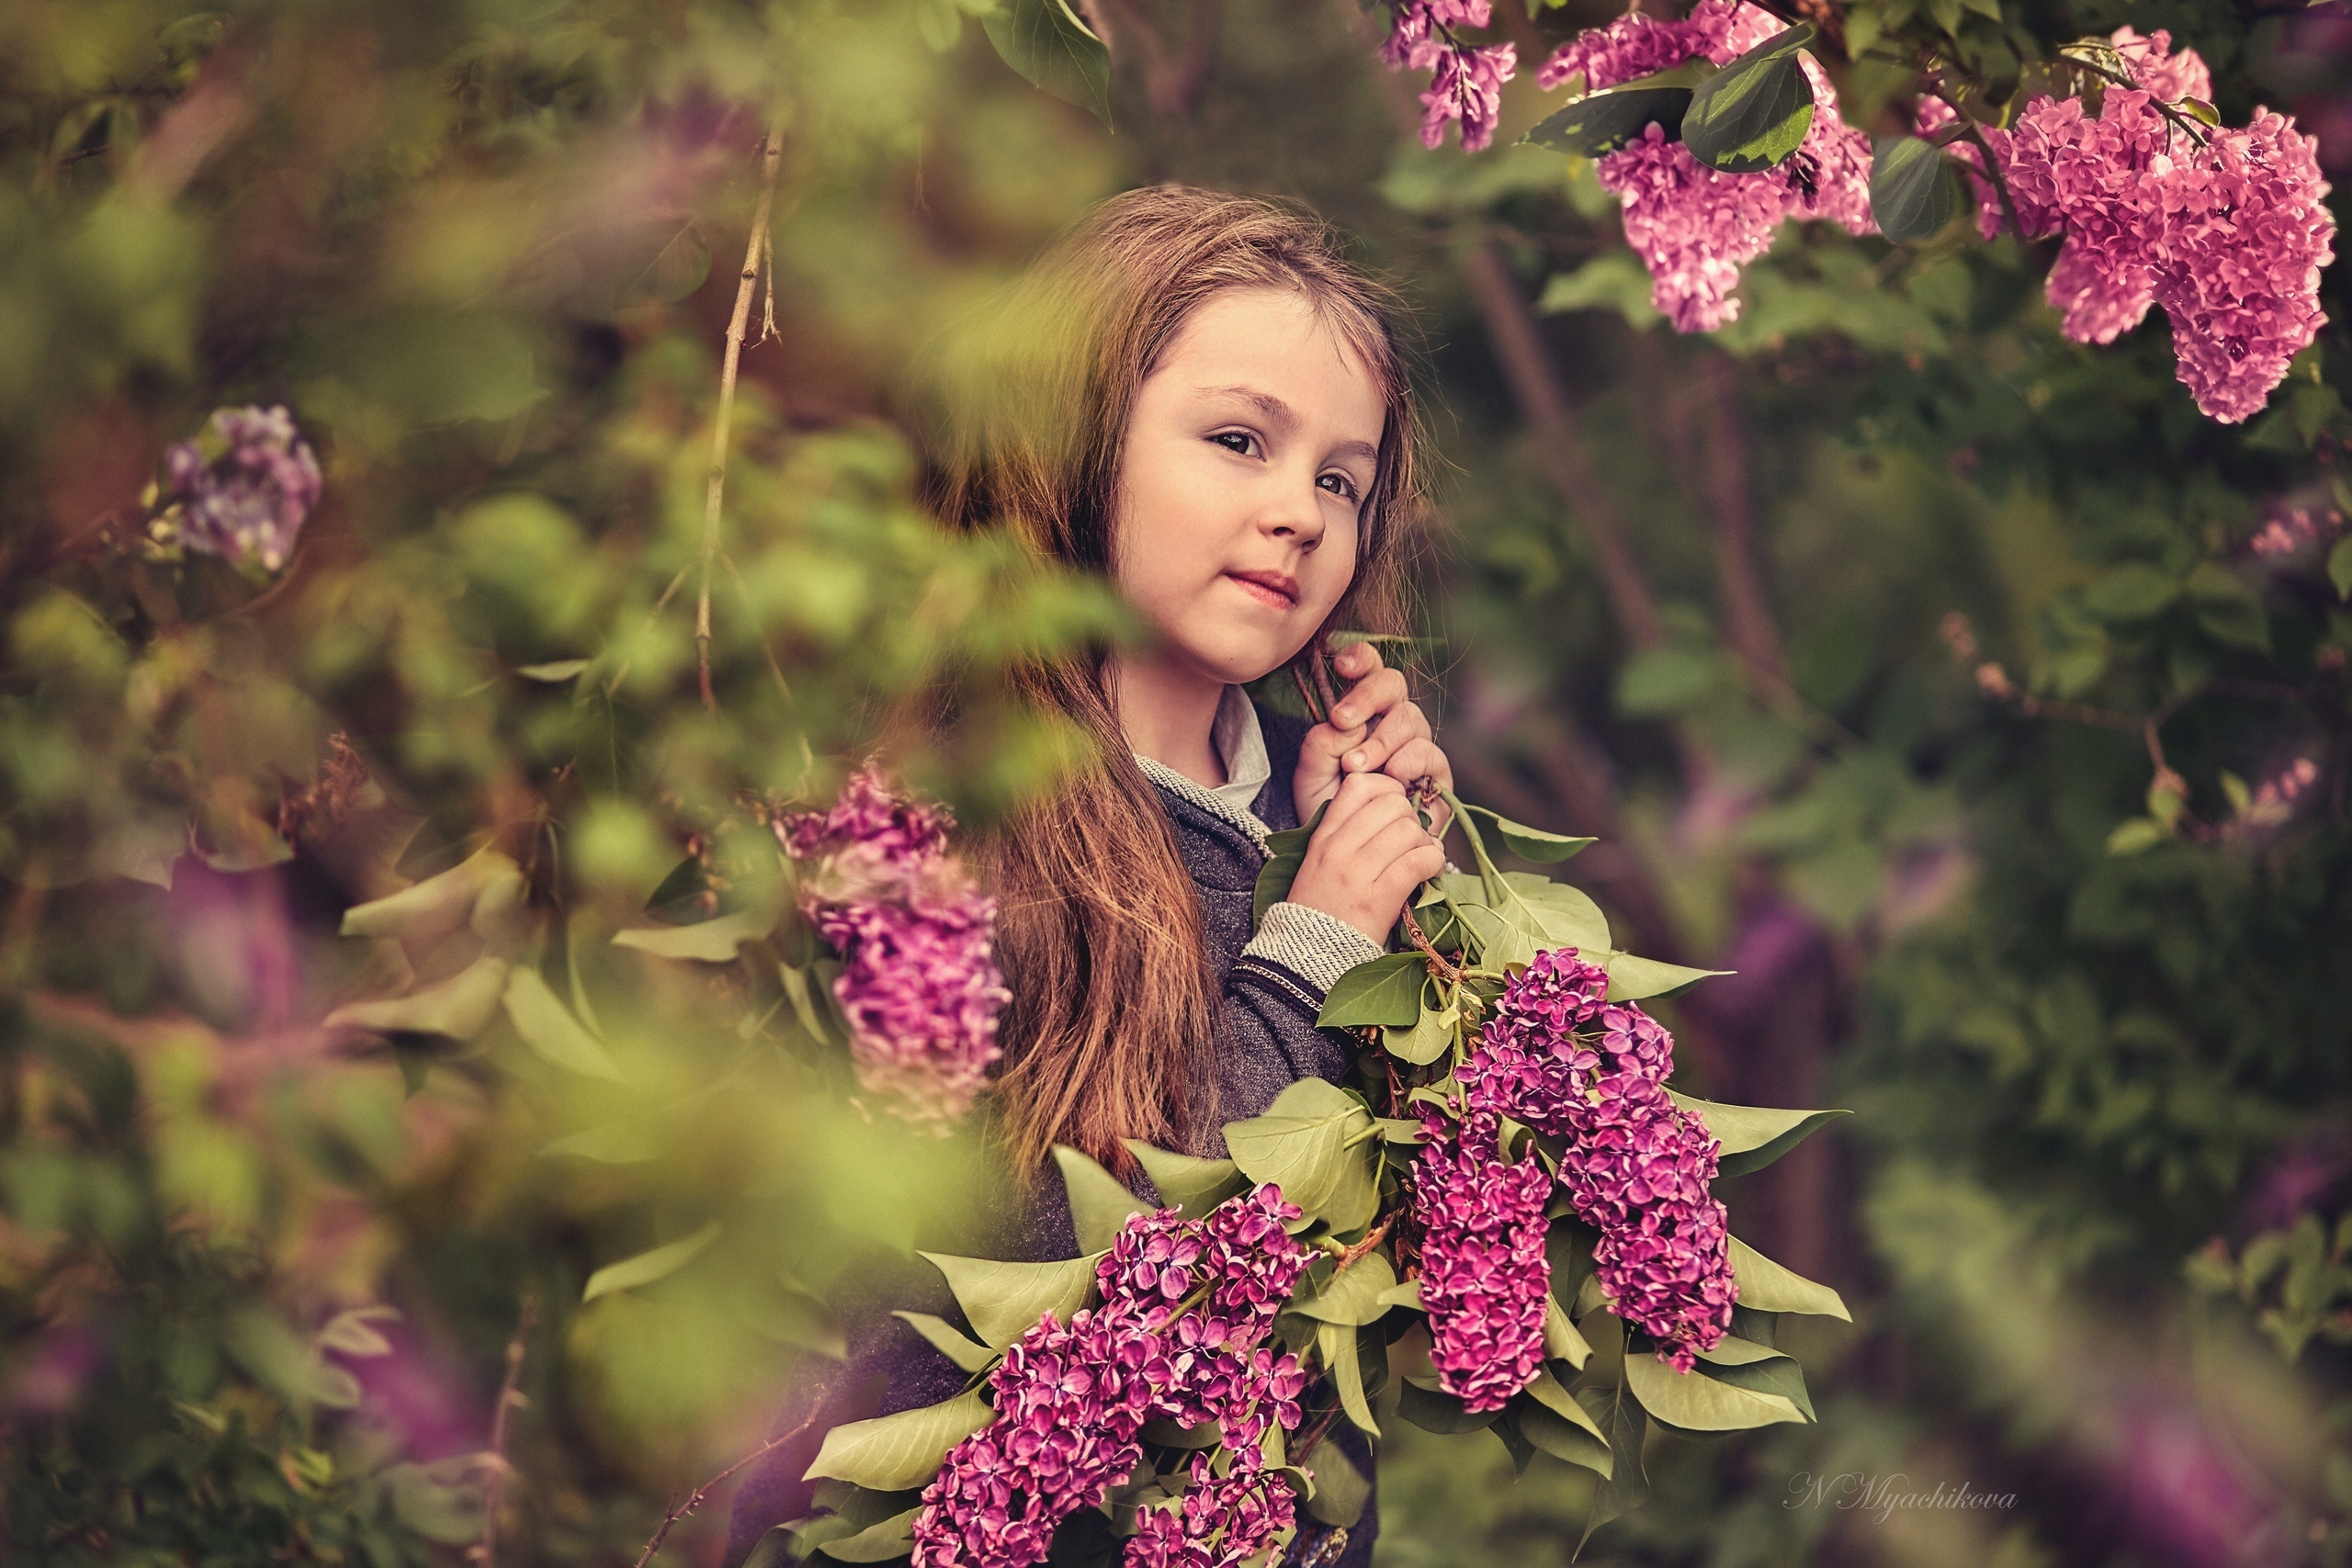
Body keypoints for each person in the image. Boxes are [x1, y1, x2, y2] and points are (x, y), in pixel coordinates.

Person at [725, 184, 1454, 1568]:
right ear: (1075, 442)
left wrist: (1414, 912)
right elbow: (1060, 1267)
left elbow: (1408, 1261)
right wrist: (1311, 956)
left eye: (1340, 480)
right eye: (1240, 440)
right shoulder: (948, 828)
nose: (1297, 512)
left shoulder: (1312, 809)